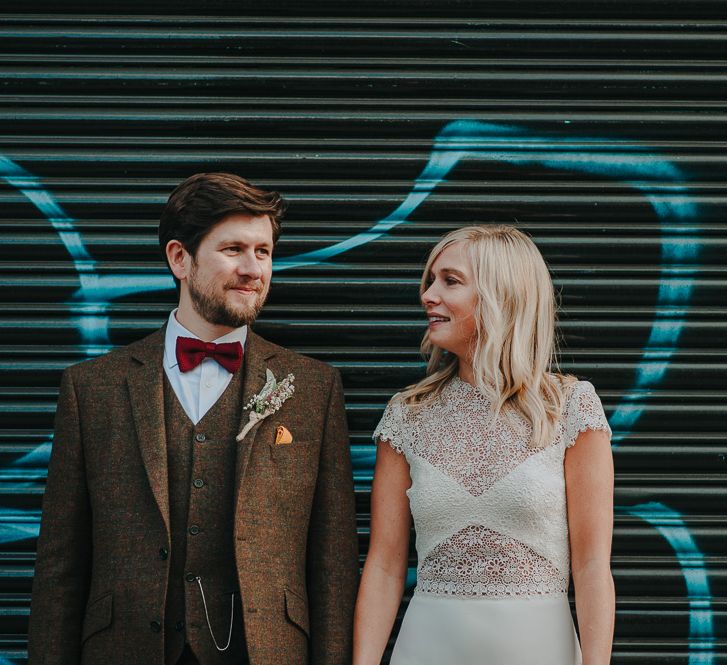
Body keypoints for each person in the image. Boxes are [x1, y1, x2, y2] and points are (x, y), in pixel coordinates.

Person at [28, 172, 359, 665]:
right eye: (233, 250)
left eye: (263, 252)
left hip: (266, 651)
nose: (254, 269)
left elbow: (333, 564)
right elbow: (61, 565)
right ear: (180, 258)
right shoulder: (91, 388)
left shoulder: (314, 388)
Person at [353, 225, 614, 665]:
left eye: (450, 281)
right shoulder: (406, 414)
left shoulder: (570, 407)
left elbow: (591, 568)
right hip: (426, 650)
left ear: (501, 295)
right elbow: (383, 565)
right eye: (430, 280)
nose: (428, 295)